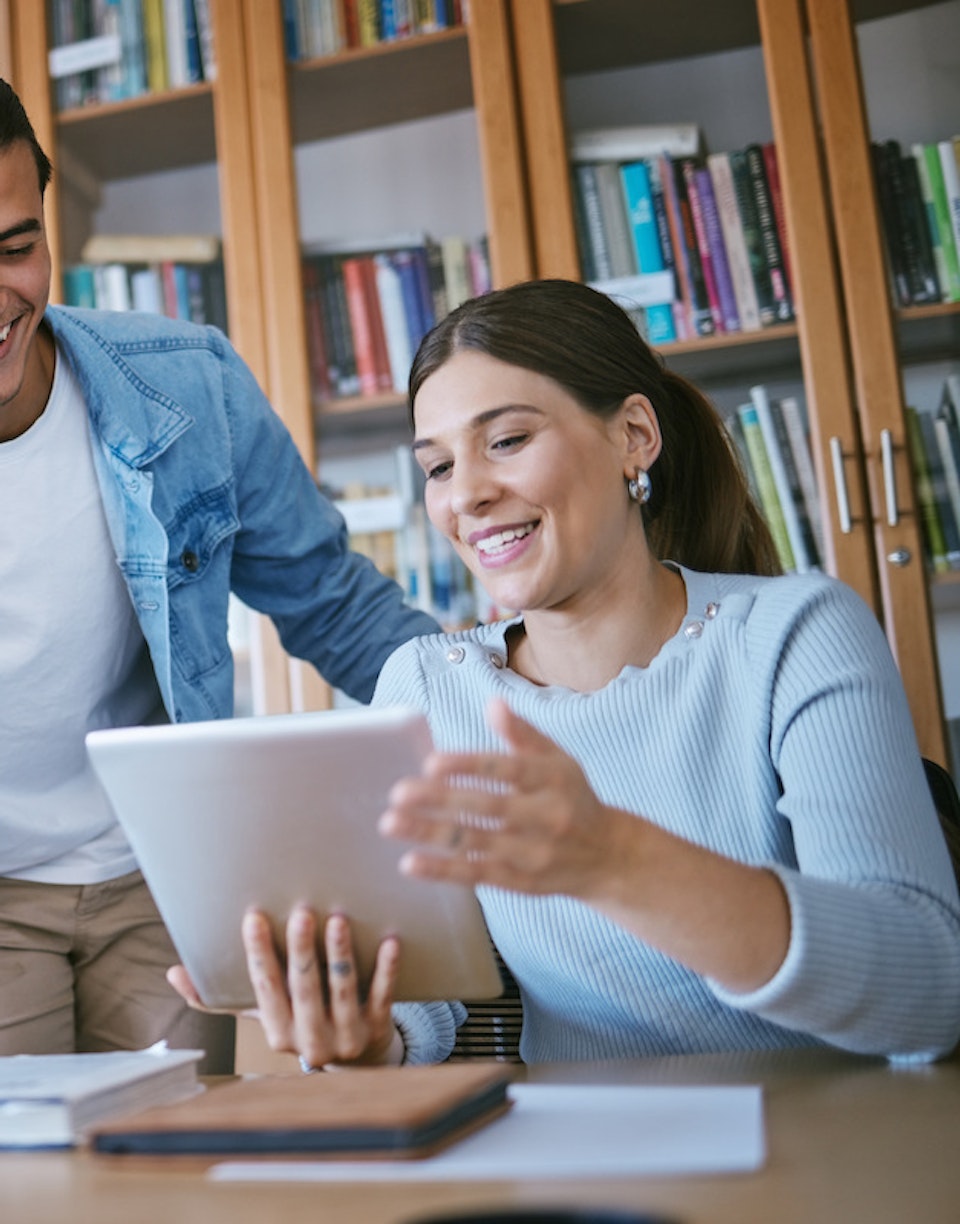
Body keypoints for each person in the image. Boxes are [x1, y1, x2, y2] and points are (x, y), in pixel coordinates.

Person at [174, 277, 960, 1070]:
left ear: (633, 437)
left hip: (829, 1147)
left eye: (507, 441)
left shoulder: (797, 635)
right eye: (439, 466)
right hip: (576, 1154)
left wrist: (616, 859)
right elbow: (429, 986)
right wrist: (370, 1032)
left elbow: (928, 991)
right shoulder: (428, 687)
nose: (469, 495)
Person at [0, 78, 438, 1071]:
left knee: (178, 1172)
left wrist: (534, 717)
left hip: (159, 874)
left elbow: (337, 608)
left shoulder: (187, 385)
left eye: (15, 248)